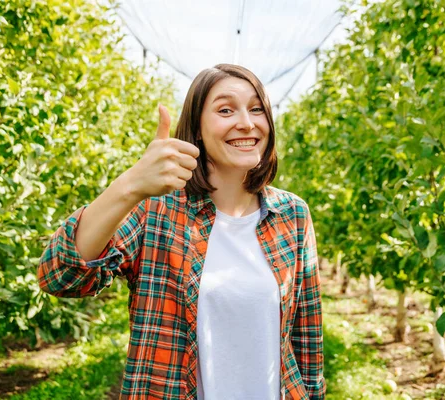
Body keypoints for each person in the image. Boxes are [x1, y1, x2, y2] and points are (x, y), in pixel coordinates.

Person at [38, 64, 325, 400]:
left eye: (256, 108)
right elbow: (60, 276)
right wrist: (130, 186)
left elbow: (307, 342)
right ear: (197, 129)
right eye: (225, 109)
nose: (247, 122)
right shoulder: (157, 210)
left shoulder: (292, 215)